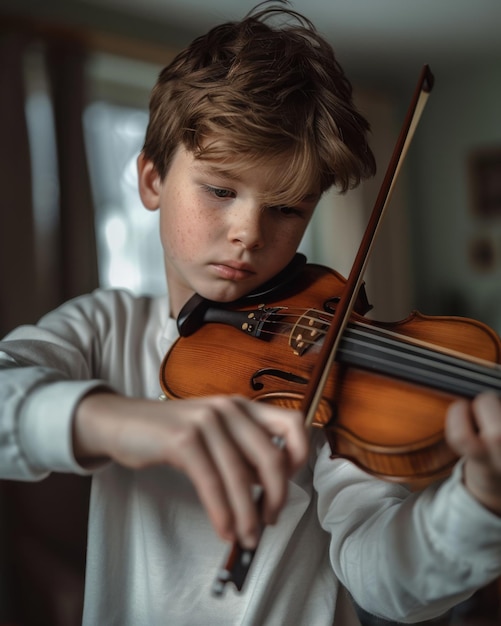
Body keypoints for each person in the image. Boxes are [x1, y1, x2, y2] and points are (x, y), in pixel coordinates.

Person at [1, 2, 500, 625]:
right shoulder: (105, 329)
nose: (248, 233)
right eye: (219, 190)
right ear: (152, 181)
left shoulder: (333, 377)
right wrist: (125, 422)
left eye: (287, 208)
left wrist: (481, 500)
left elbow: (390, 582)